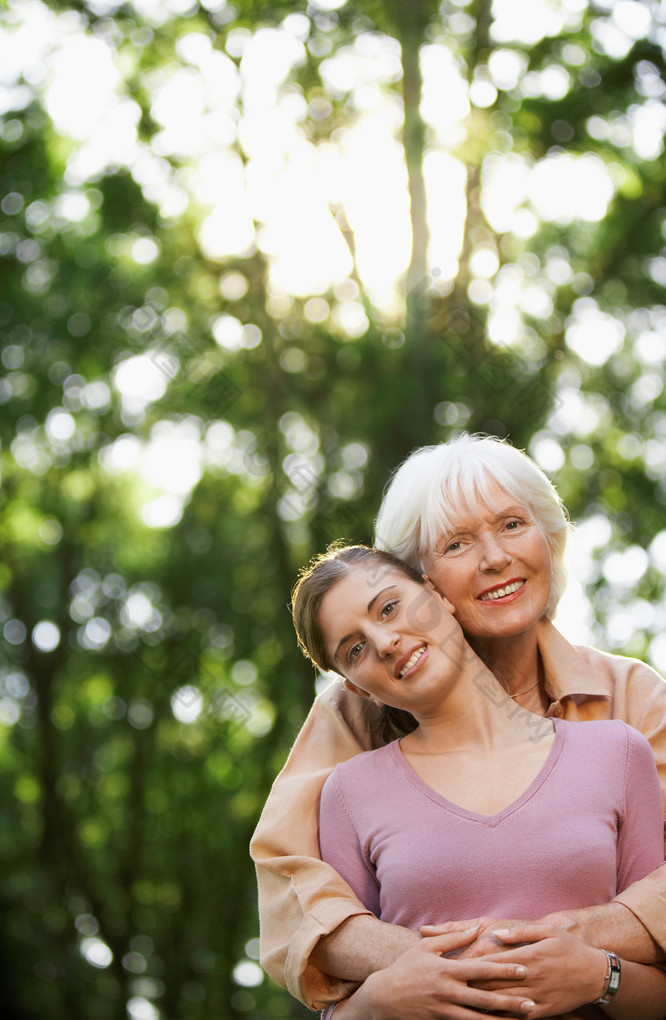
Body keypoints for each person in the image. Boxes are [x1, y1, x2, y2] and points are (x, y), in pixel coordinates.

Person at [250, 435, 666, 1015]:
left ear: (549, 539)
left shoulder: (630, 702)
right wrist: (426, 963)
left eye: (515, 525)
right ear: (426, 580)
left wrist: (578, 948)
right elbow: (292, 887)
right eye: (457, 543)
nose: (495, 557)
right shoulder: (354, 716)